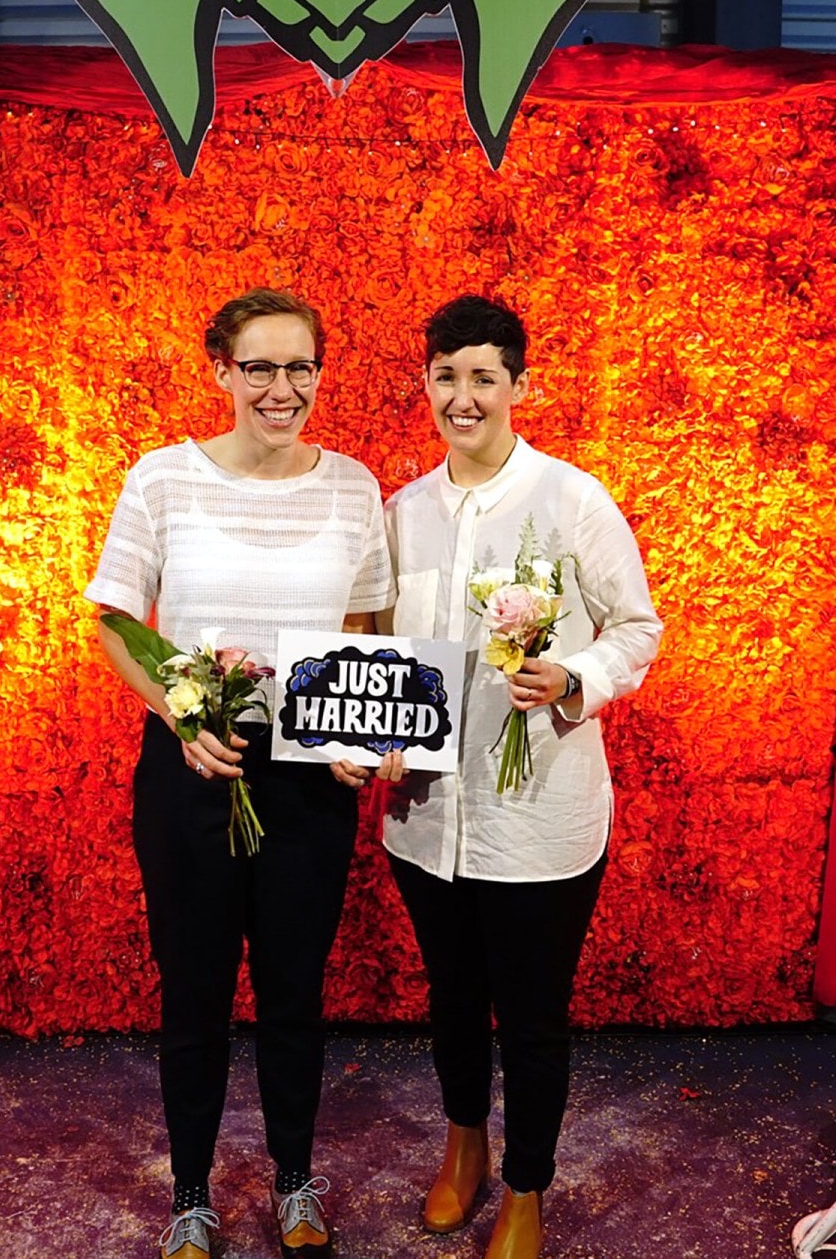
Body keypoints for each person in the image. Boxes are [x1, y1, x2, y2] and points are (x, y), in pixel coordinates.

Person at [85, 288, 392, 1259]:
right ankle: (190, 1194)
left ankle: (295, 1180)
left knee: (294, 991)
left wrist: (366, 727)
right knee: (195, 990)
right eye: (258, 365)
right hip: (192, 768)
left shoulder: (352, 485)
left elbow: (375, 629)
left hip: (307, 777)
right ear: (220, 369)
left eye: (299, 366)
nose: (281, 386)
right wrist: (178, 711)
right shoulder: (162, 479)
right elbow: (112, 618)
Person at [378, 295, 662, 1259]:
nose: (464, 396)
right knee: (452, 998)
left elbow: (637, 629)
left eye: (483, 378)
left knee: (532, 1015)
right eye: (447, 376)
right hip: (427, 818)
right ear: (426, 383)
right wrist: (362, 724)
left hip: (540, 815)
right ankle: (464, 1150)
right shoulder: (403, 511)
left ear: (518, 386)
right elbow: (380, 646)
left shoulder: (571, 499)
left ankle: (526, 1190)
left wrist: (575, 677)